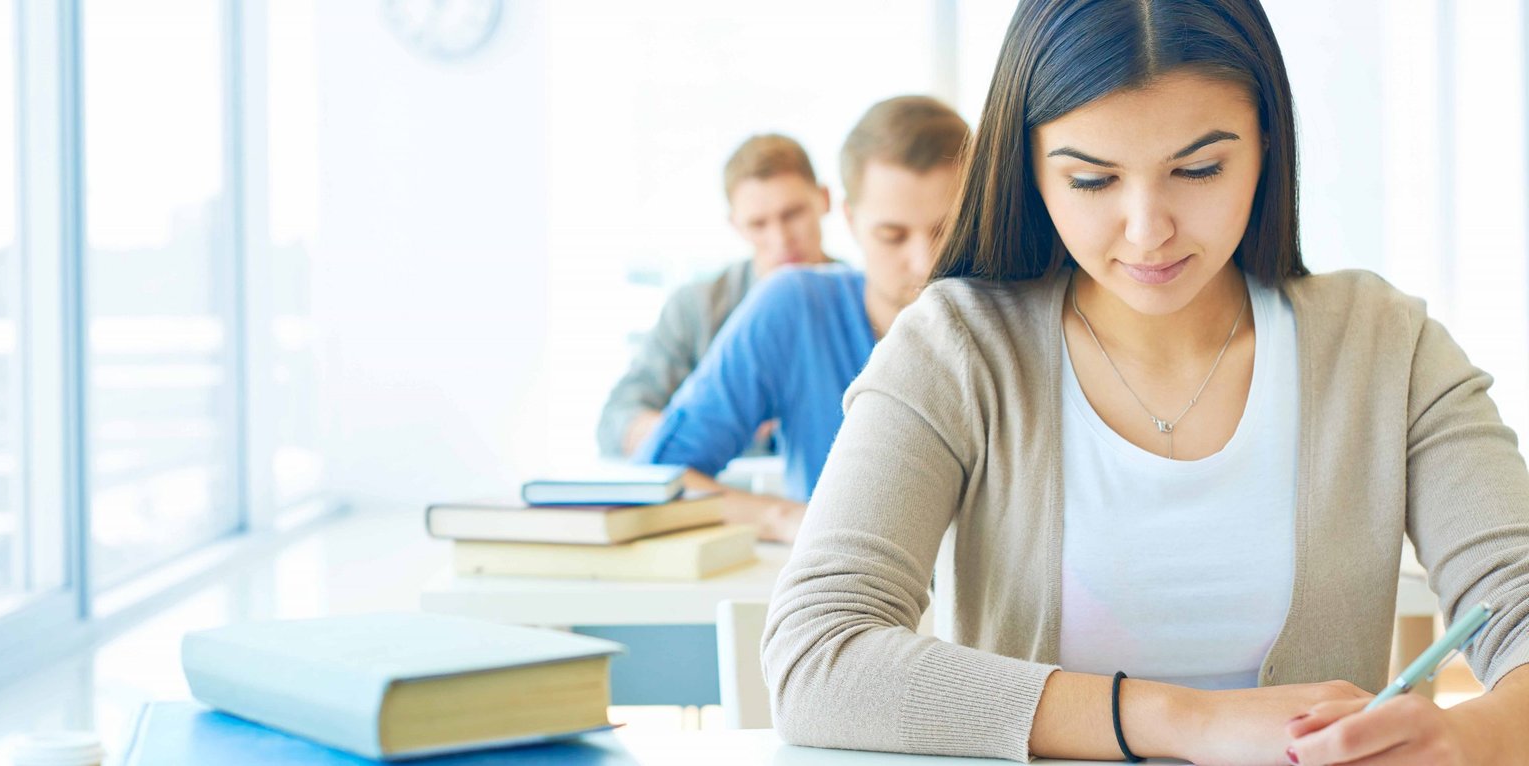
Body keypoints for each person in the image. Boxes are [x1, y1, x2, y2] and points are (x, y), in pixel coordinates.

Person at [761, 1, 1529, 764]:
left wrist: (1469, 736)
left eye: (1198, 169)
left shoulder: (1386, 348)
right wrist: (1188, 721)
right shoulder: (956, 348)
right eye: (1092, 180)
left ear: (1267, 143)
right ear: (1029, 168)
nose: (1147, 229)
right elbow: (816, 656)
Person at [634, 96, 970, 543]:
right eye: (892, 236)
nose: (926, 264)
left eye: (947, 230)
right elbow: (658, 479)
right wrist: (787, 519)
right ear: (849, 219)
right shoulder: (794, 307)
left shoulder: (1023, 314)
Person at [596, 134, 834, 458]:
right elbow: (616, 420)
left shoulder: (869, 300)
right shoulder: (695, 309)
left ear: (824, 200)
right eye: (758, 224)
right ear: (735, 225)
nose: (780, 239)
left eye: (792, 214)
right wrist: (700, 428)